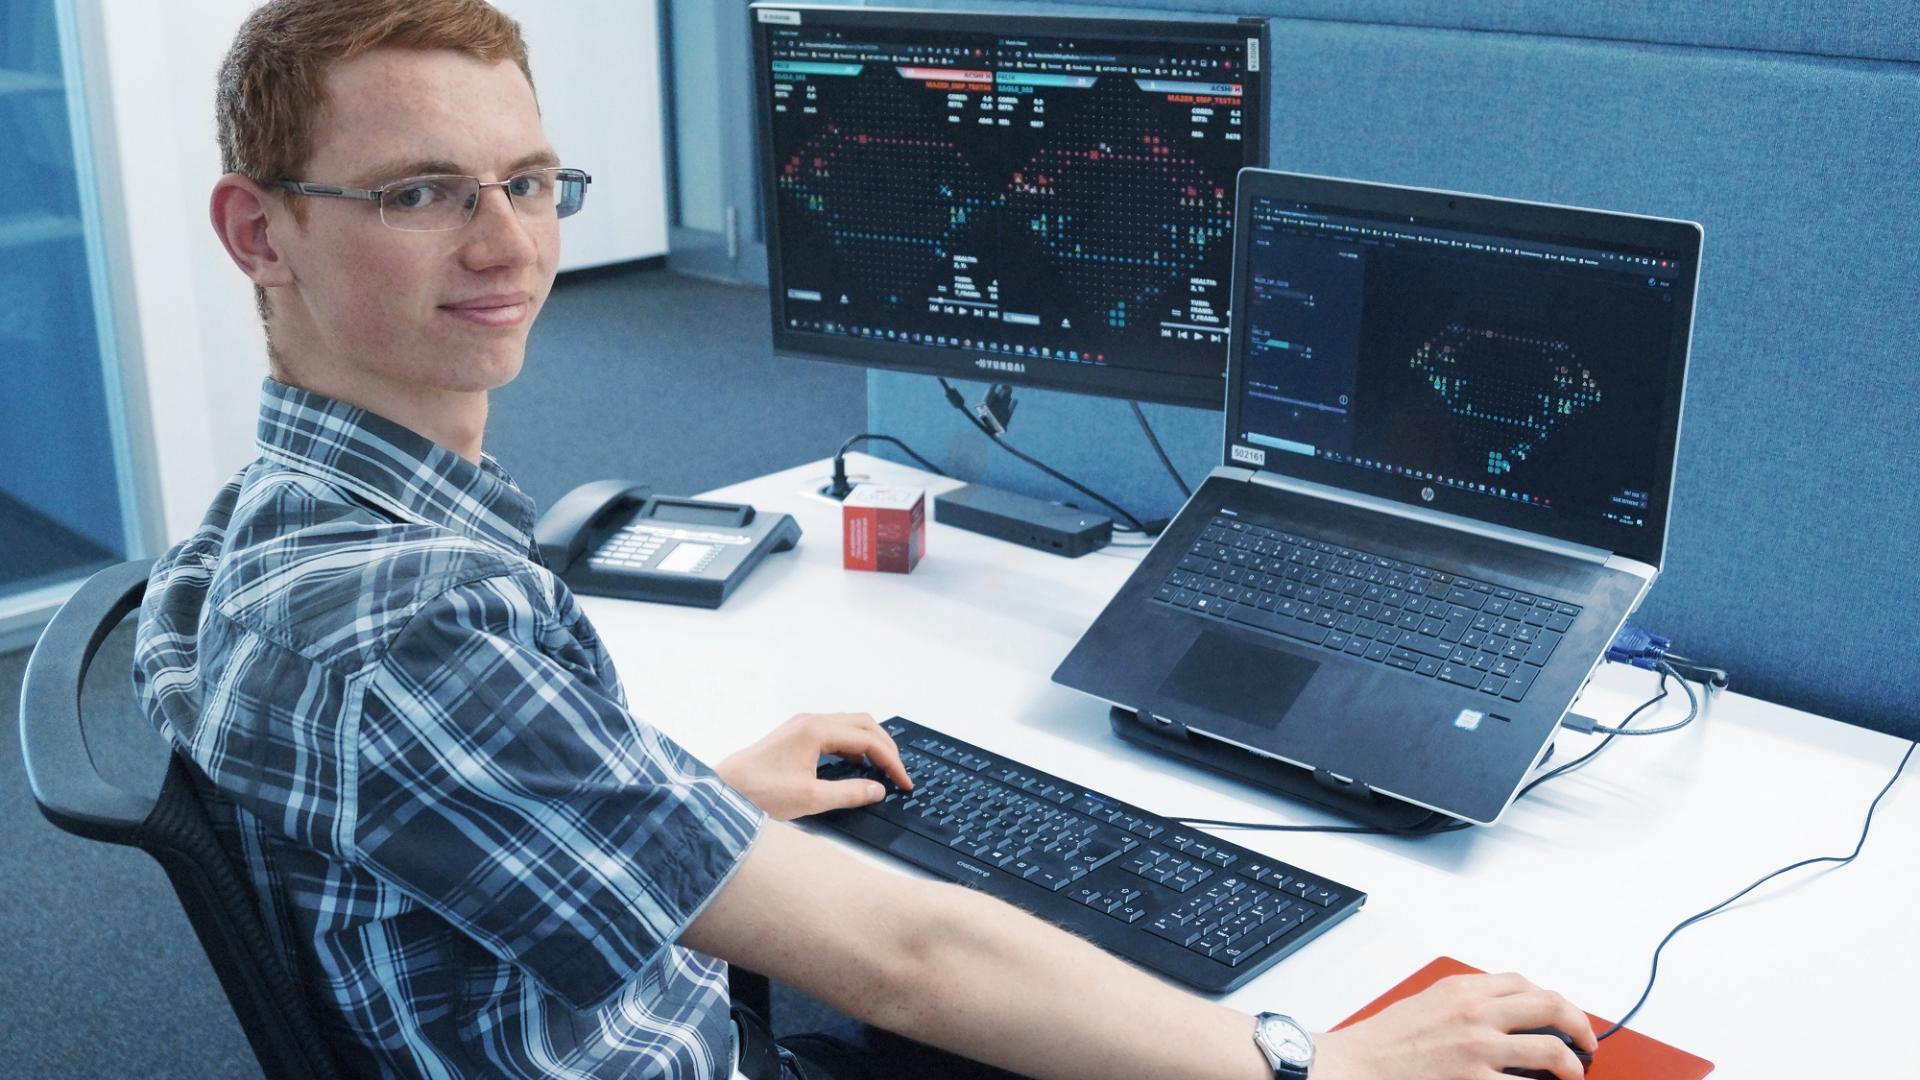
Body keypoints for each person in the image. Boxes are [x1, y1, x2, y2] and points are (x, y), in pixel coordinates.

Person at [133, 1, 1599, 1077]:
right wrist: (1310, 1063)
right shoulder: (409, 626)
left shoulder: (267, 531)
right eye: (418, 195)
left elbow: (410, 800)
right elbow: (907, 960)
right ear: (258, 233)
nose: (508, 245)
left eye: (525, 181)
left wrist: (680, 798)